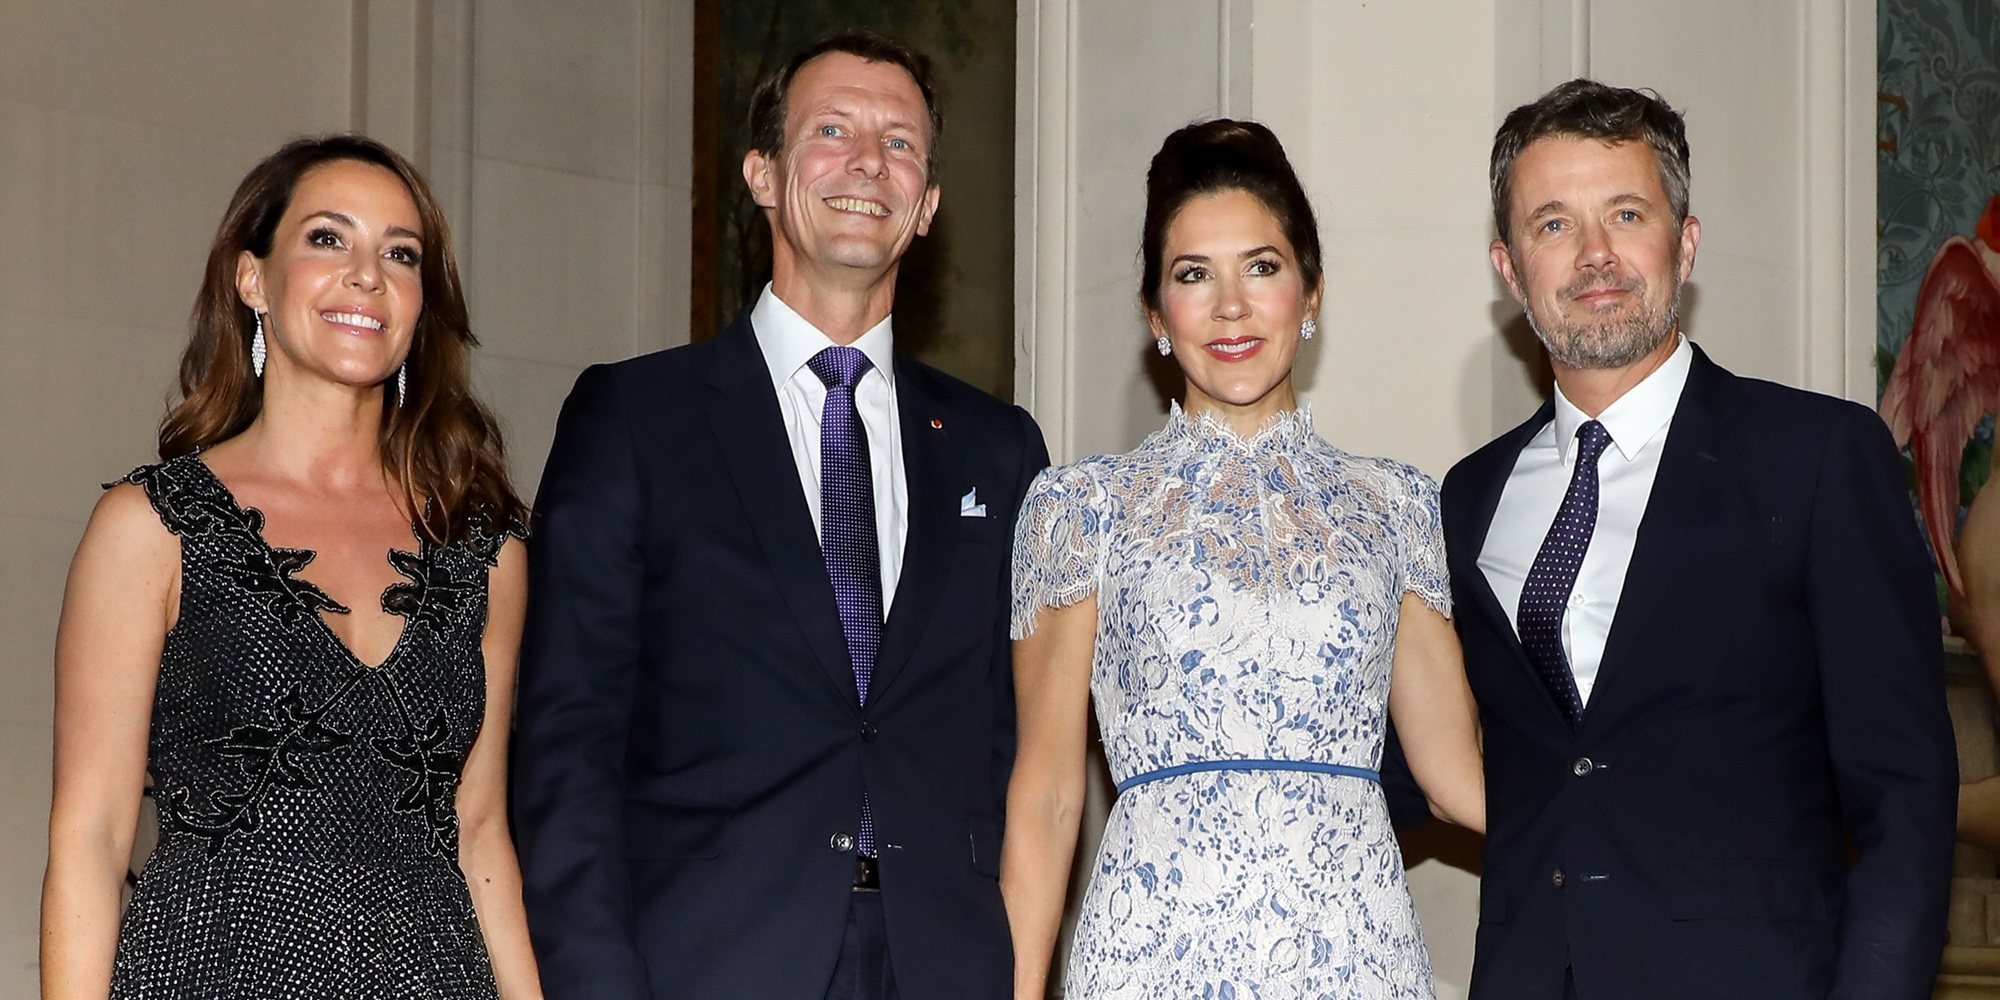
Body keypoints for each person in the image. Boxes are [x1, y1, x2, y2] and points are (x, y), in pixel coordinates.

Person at [510, 30, 1049, 1000]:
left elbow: (1016, 746)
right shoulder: (633, 420)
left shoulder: (997, 450)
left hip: (942, 962)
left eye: (898, 144)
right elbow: (565, 749)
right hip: (703, 962)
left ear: (925, 205)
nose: (865, 163)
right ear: (761, 174)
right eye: (832, 129)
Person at [1452, 79, 1956, 1000]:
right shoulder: (1469, 497)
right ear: (1508, 265)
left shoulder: (1818, 457)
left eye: (1627, 213)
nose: (1595, 255)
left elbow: (1906, 796)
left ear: (1684, 244)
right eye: (1554, 224)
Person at [40, 135, 541, 998]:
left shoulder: (484, 550)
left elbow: (481, 830)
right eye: (326, 238)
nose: (367, 274)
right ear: (252, 279)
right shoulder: (153, 528)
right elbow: (91, 839)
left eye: (400, 252)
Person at [1003, 119, 1486, 1000]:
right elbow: (1045, 798)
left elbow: (1456, 778)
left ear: (1311, 296)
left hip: (1356, 957)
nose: (1231, 306)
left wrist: (1633, 827)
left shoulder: (1398, 506)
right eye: (1194, 276)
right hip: (1151, 955)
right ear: (1156, 313)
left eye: (1261, 267)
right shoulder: (1081, 510)